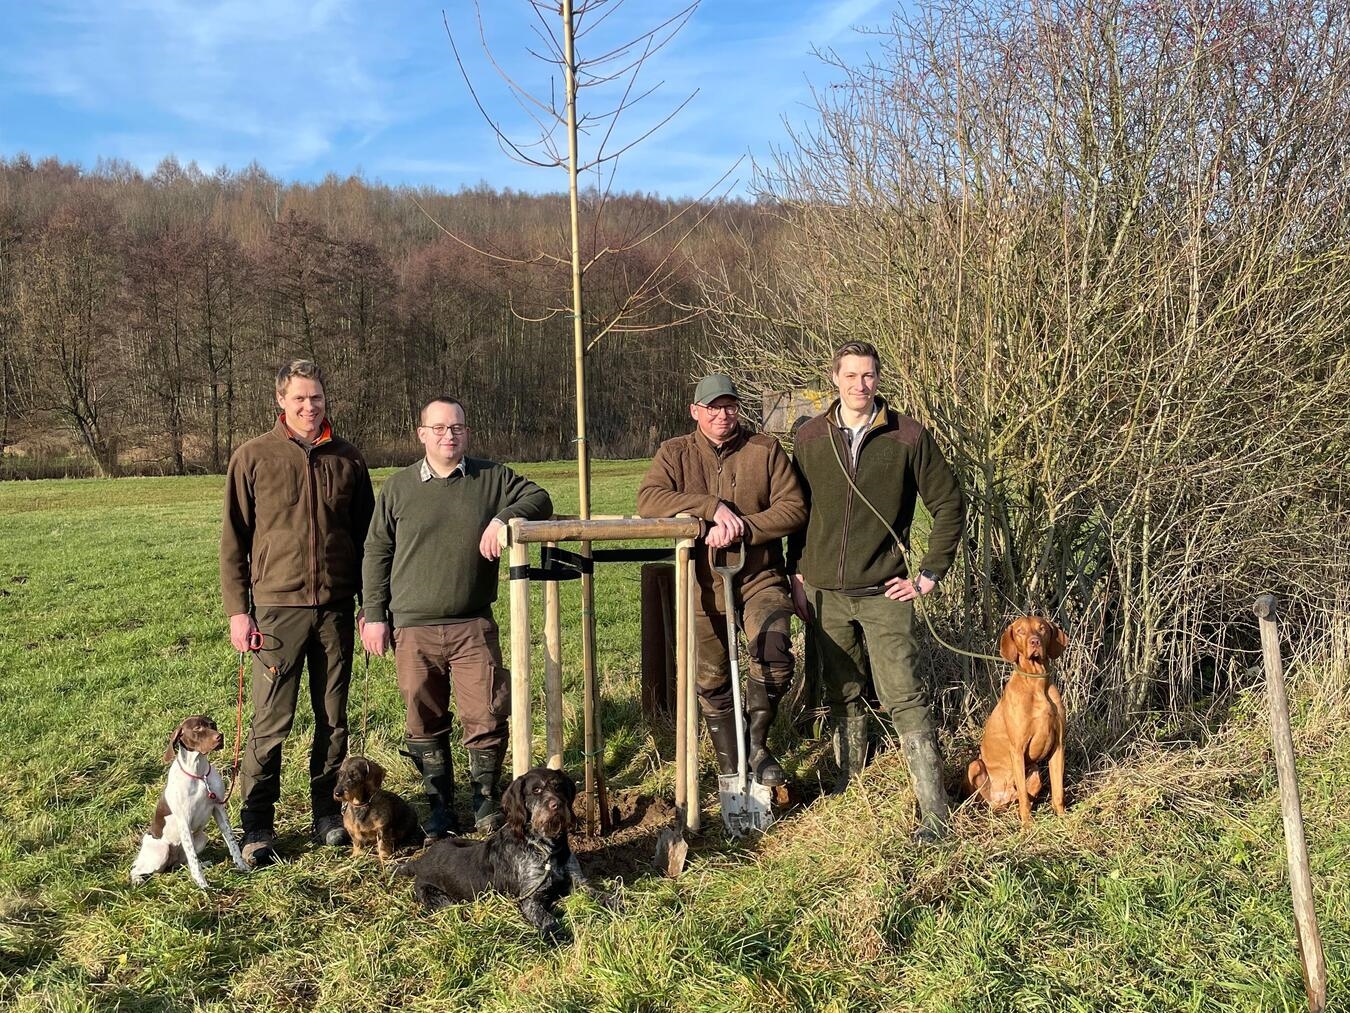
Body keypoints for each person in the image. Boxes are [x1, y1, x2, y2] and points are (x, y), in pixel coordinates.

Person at [787, 341, 965, 842]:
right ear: (834, 379)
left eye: (868, 376)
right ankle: (851, 794)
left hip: (887, 591)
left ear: (879, 379)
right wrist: (795, 573)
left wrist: (928, 574)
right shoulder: (809, 437)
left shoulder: (908, 436)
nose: (859, 385)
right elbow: (796, 512)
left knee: (903, 695)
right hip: (823, 591)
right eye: (850, 376)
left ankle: (935, 817)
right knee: (842, 694)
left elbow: (949, 505)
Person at [360, 396, 552, 837]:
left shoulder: (490, 477)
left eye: (458, 428)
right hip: (413, 626)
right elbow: (377, 552)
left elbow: (539, 498)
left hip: (472, 624)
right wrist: (375, 614)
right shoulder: (398, 488)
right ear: (422, 434)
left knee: (486, 713)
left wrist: (503, 519)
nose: (450, 435)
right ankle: (440, 806)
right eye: (441, 428)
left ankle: (484, 802)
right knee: (423, 717)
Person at [221, 360, 375, 866]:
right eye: (300, 399)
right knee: (271, 722)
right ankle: (258, 826)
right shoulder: (253, 457)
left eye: (318, 399)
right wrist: (238, 612)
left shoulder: (348, 459)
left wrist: (367, 604)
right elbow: (233, 541)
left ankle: (328, 815)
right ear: (281, 402)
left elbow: (369, 541)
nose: (310, 408)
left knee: (333, 721)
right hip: (276, 611)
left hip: (333, 609)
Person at [637, 374, 807, 789]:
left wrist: (742, 527)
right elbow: (648, 501)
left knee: (774, 651)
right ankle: (731, 764)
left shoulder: (764, 450)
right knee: (711, 676)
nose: (722, 415)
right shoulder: (674, 453)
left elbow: (794, 507)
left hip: (759, 577)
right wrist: (710, 509)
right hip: (701, 582)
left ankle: (757, 746)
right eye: (712, 407)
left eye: (729, 406)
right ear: (696, 411)